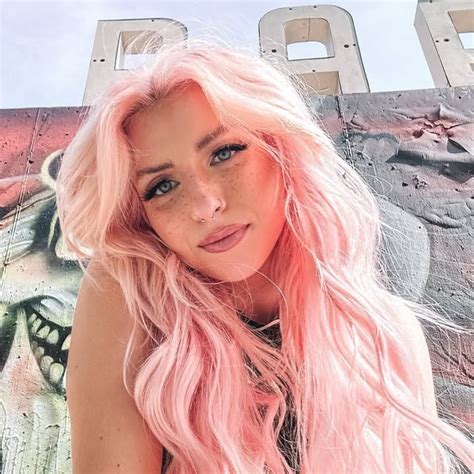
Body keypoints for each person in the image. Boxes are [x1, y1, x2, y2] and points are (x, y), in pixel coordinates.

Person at [56, 35, 473, 473]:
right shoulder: (131, 301)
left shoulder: (385, 332)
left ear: (281, 148)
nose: (204, 205)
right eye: (162, 186)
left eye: (224, 153)